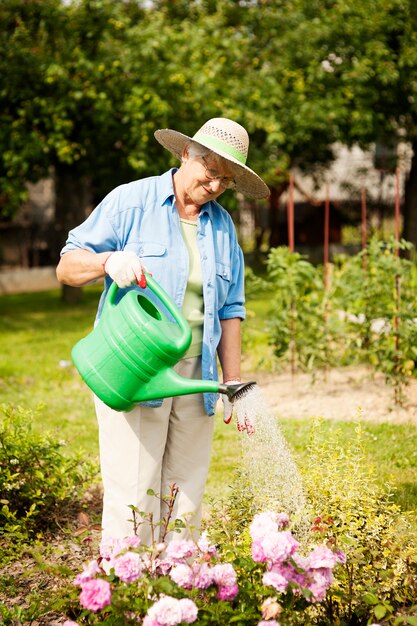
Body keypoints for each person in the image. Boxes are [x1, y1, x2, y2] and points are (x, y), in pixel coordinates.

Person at [56, 117, 270, 546]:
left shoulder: (223, 226)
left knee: (185, 491)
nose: (214, 187)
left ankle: (178, 592)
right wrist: (107, 262)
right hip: (135, 367)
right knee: (134, 488)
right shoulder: (130, 202)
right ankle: (128, 588)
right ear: (186, 155)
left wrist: (232, 382)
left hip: (196, 372)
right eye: (211, 173)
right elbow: (66, 267)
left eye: (226, 181)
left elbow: (231, 308)